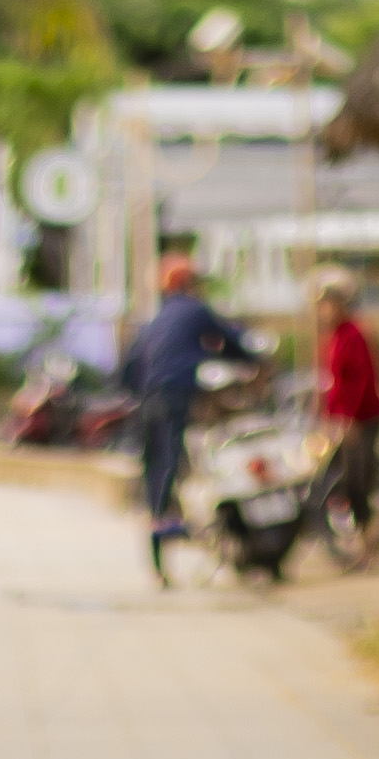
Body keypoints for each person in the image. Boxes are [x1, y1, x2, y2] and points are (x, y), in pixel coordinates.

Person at [121, 249, 258, 584]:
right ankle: (174, 518)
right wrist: (254, 359)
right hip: (175, 395)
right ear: (189, 283)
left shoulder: (155, 320)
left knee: (157, 468)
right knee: (172, 462)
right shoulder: (194, 311)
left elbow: (129, 367)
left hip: (148, 400)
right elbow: (230, 341)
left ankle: (159, 523)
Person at [310, 279, 379, 540]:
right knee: (343, 477)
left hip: (361, 418)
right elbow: (329, 381)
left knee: (359, 478)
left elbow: (360, 379)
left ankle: (369, 535)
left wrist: (349, 418)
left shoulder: (353, 334)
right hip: (342, 421)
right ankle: (363, 533)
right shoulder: (330, 338)